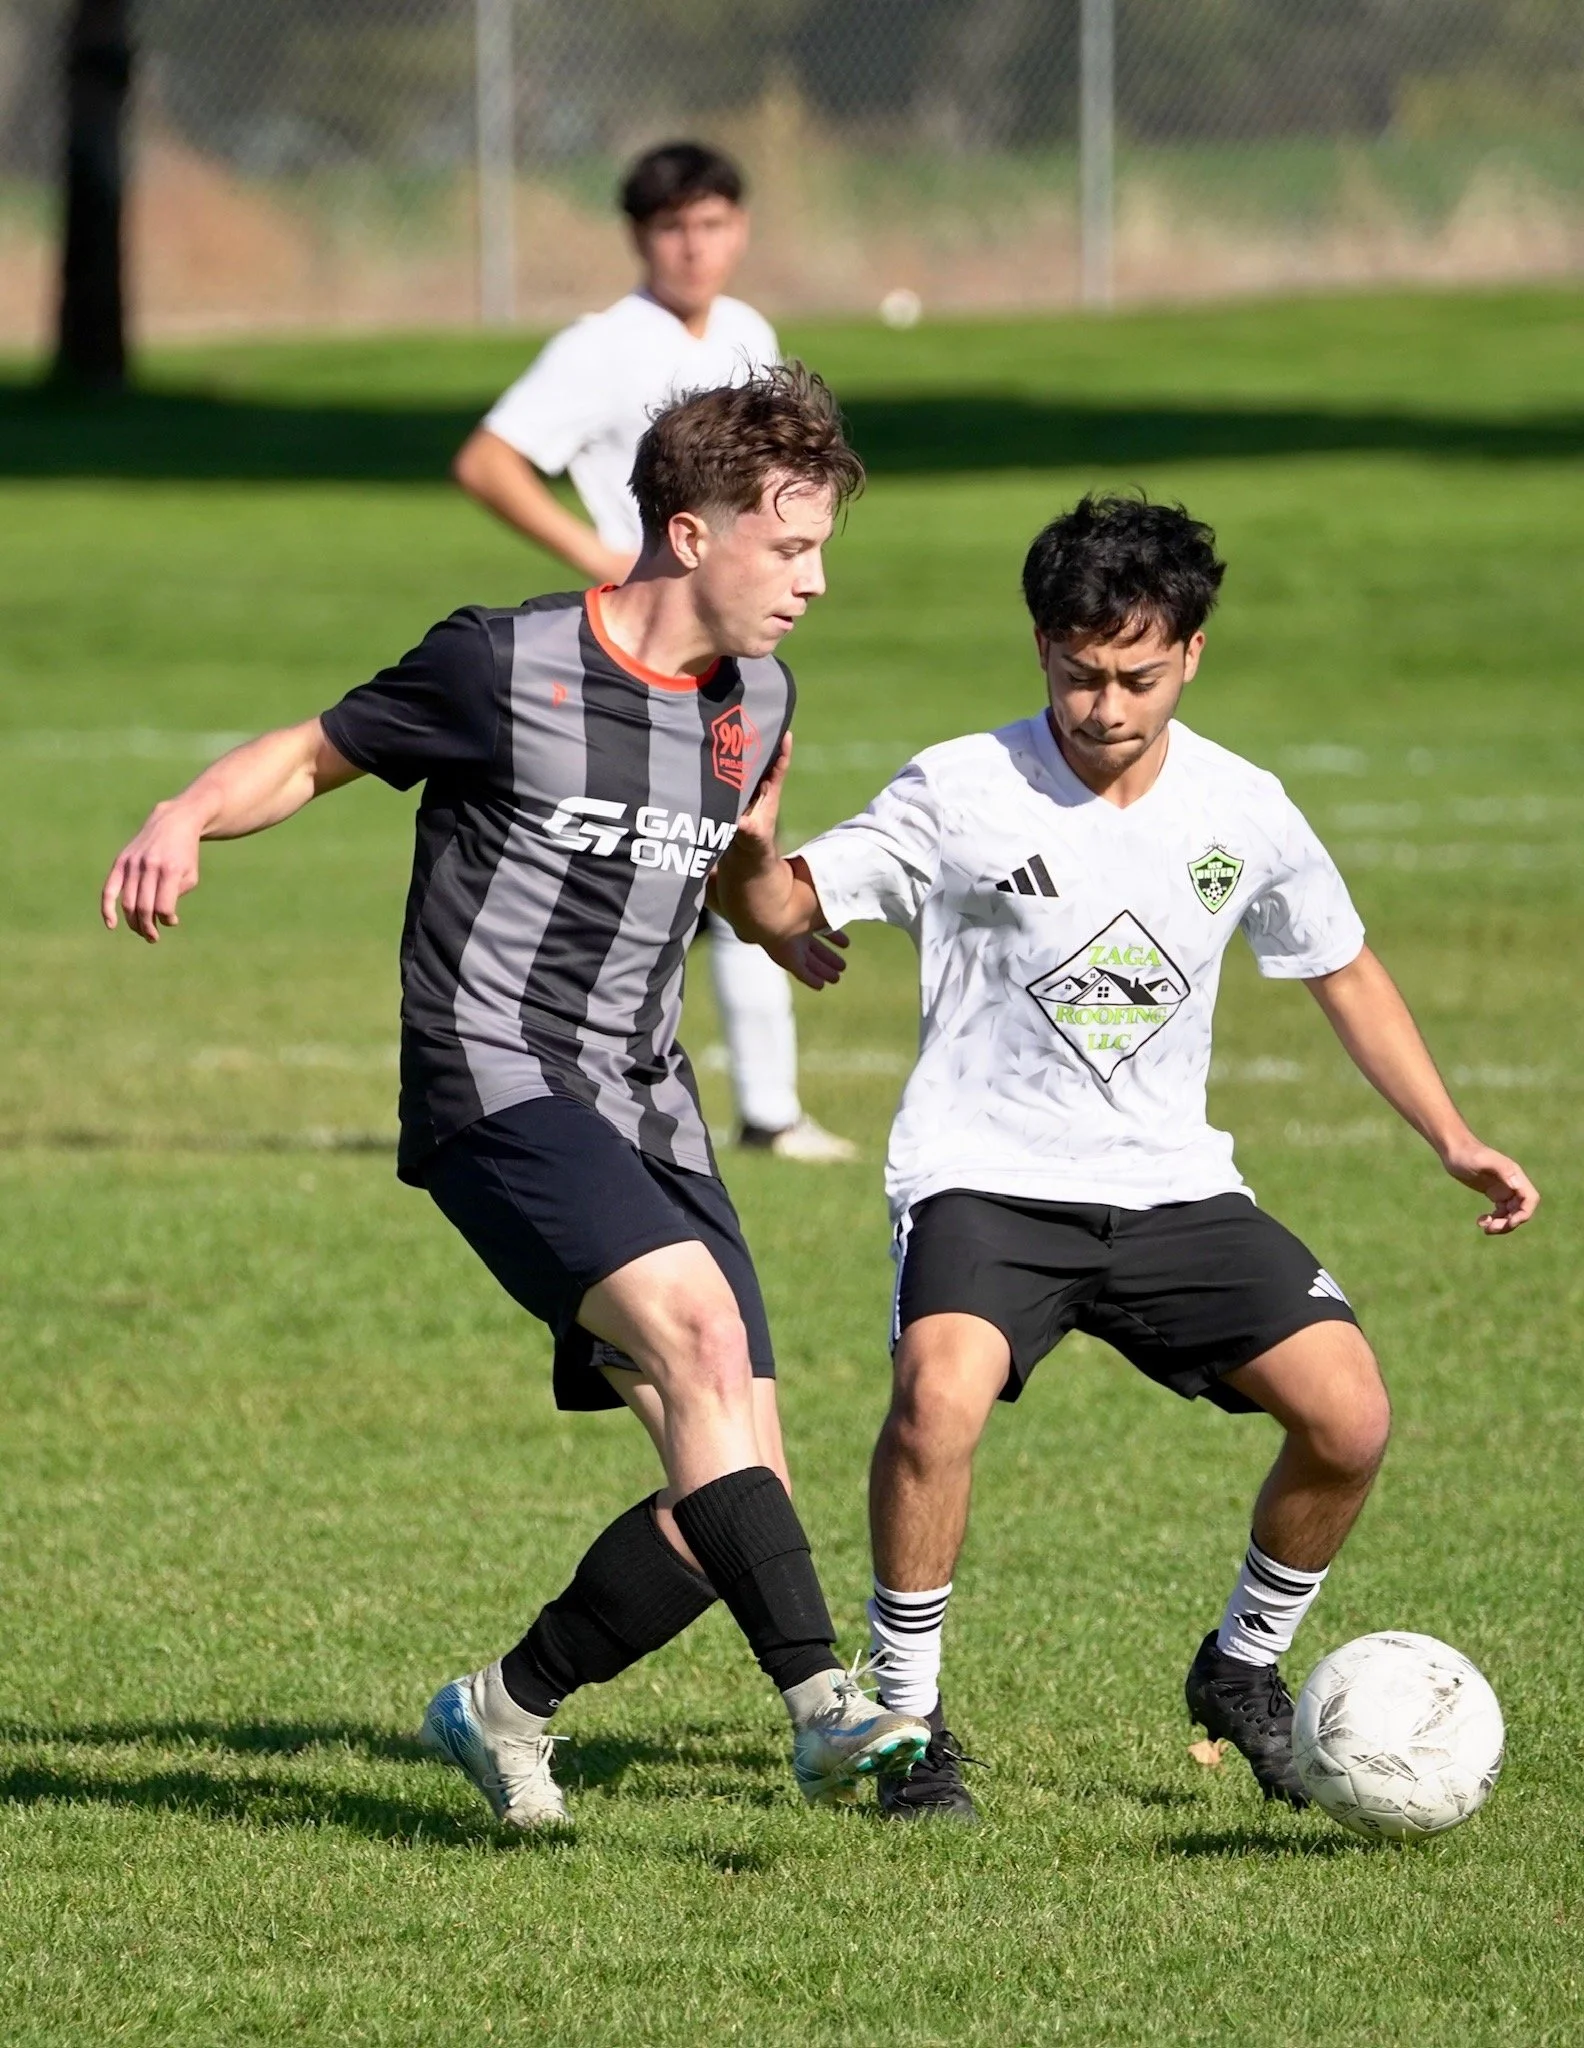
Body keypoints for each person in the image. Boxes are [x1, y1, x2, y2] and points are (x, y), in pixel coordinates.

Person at [99, 366, 928, 1830]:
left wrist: (777, 921)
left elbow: (738, 854)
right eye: (787, 546)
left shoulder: (761, 699)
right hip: (492, 1073)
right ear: (689, 532)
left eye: (820, 551)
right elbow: (311, 755)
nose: (812, 582)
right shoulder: (503, 662)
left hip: (646, 1095)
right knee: (700, 1330)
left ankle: (502, 1708)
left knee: (737, 1481)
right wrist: (183, 813)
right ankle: (823, 1711)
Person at [715, 491, 1539, 1822]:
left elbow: (1339, 965)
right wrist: (749, 864)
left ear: (1193, 656)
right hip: (986, 1178)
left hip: (1171, 1187)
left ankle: (1244, 1667)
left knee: (1350, 1417)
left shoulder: (1244, 807)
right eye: (1079, 671)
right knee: (938, 1399)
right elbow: (791, 904)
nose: (1104, 705)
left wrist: (1453, 1138)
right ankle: (910, 1722)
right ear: (1041, 646)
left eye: (1136, 676)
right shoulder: (961, 789)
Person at [453, 138, 854, 1164]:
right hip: (631, 643)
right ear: (640, 237)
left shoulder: (752, 332)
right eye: (674, 227)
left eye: (714, 224)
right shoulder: (601, 347)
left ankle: (768, 1106)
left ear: (742, 229)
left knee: (732, 842)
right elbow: (488, 459)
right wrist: (597, 550)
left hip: (725, 641)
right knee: (651, 851)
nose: (696, 247)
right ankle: (574, 1073)